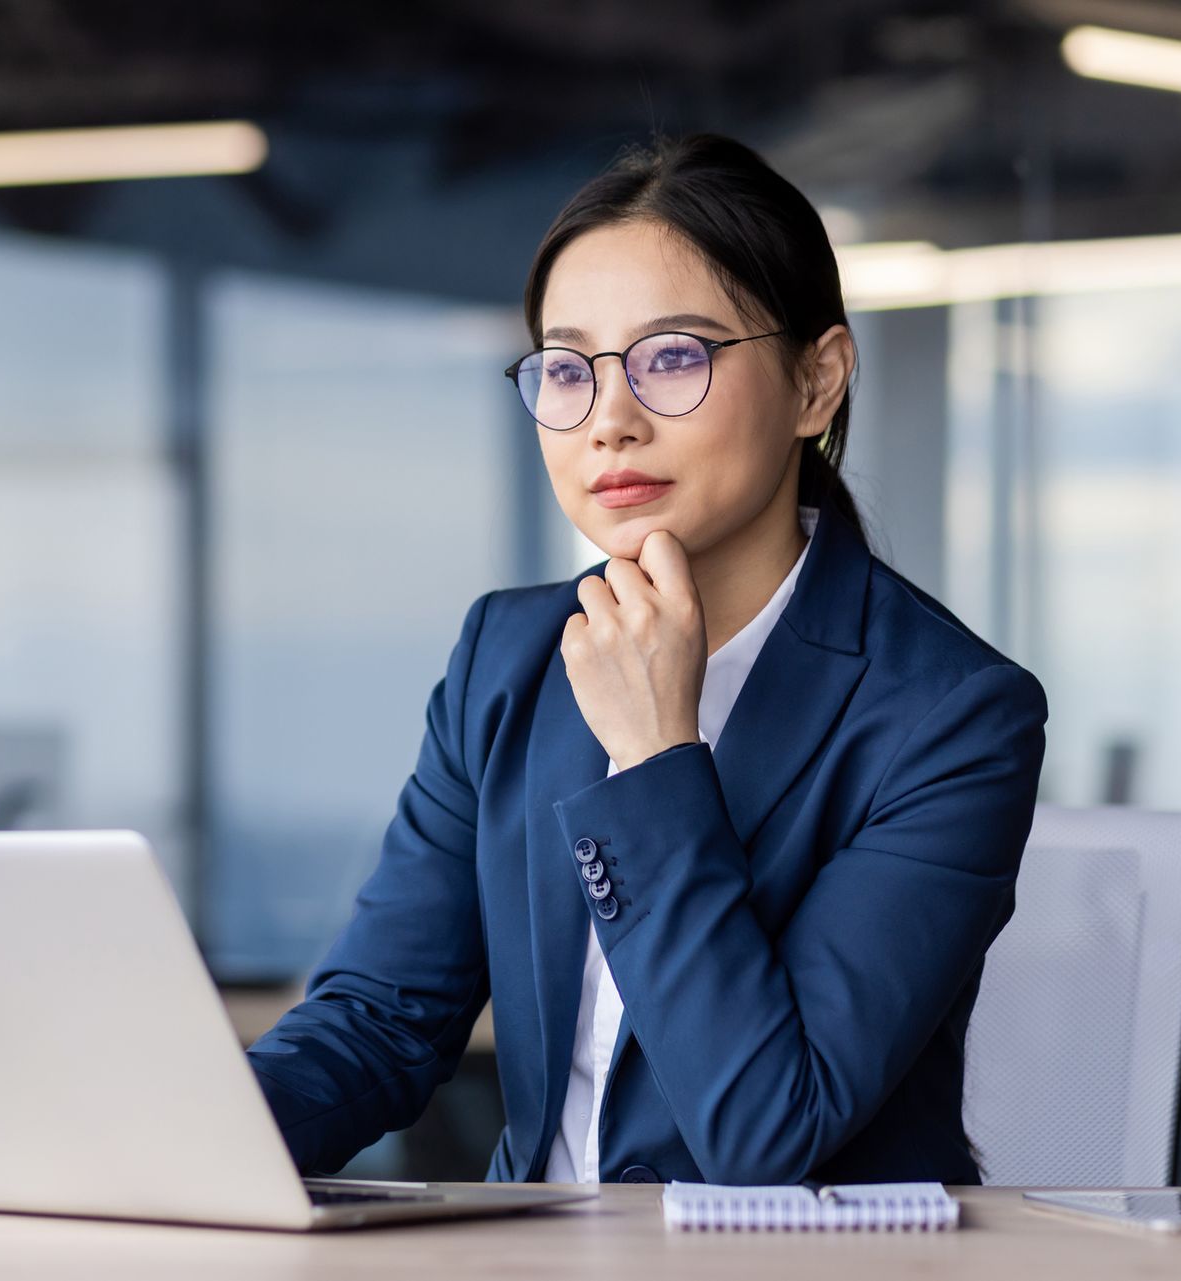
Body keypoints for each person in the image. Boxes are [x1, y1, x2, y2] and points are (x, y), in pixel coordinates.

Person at [245, 133, 1047, 1187]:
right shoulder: (508, 659)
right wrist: (172, 1143)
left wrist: (656, 756)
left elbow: (769, 1129)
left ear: (817, 383)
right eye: (567, 370)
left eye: (674, 357)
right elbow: (378, 1024)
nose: (609, 422)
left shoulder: (949, 714)